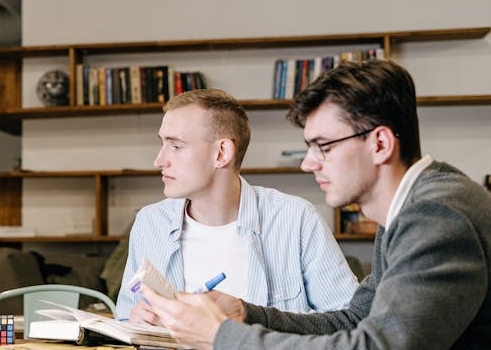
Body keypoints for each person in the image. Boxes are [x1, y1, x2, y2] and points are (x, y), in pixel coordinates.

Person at [139, 60, 491, 350]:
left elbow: (377, 348)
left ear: (380, 143)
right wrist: (246, 314)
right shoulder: (408, 208)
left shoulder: (436, 215)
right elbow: (353, 320)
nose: (308, 163)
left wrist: (220, 337)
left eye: (323, 146)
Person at [115, 88, 359, 322]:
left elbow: (350, 320)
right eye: (162, 144)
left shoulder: (296, 219)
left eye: (176, 146)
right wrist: (136, 321)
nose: (159, 160)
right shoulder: (149, 223)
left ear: (221, 153)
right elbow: (125, 318)